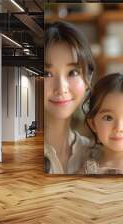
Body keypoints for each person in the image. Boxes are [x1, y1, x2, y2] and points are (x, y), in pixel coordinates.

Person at [44, 21, 95, 174]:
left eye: (73, 72)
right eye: (46, 73)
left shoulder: (96, 154)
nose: (61, 88)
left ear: (88, 79)